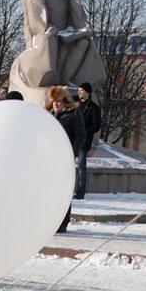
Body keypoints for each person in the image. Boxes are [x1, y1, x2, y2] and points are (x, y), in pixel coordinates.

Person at [47, 85, 85, 233]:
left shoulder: (74, 115)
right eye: (54, 101)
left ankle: (62, 222)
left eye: (59, 101)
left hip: (64, 158)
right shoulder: (49, 115)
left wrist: (71, 153)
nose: (56, 103)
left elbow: (80, 136)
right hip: (49, 159)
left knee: (62, 191)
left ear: (65, 101)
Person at [74, 81, 102, 199]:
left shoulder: (93, 108)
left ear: (88, 93)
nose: (80, 93)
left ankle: (80, 191)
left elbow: (96, 125)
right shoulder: (75, 104)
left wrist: (85, 133)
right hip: (73, 139)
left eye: (82, 91)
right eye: (79, 91)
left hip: (84, 140)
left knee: (81, 166)